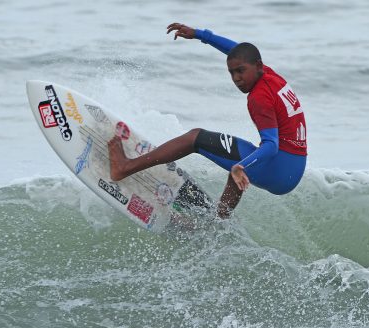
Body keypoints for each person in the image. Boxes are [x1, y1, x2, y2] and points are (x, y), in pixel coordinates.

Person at [108, 22, 307, 218]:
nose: (236, 78)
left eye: (240, 71)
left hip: (278, 169)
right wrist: (200, 34)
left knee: (196, 138)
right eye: (231, 72)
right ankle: (218, 222)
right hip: (293, 167)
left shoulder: (259, 98)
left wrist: (241, 166)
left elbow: (271, 144)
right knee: (236, 160)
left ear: (258, 66)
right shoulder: (269, 75)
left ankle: (124, 168)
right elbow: (236, 51)